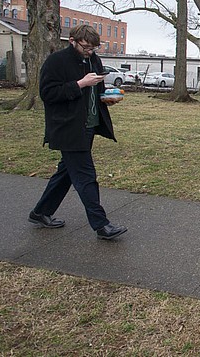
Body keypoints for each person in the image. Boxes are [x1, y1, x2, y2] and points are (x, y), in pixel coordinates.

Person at [28, 24, 127, 240]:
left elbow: (96, 91)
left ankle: (40, 212)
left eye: (93, 48)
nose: (89, 51)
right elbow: (48, 93)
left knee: (66, 173)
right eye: (86, 47)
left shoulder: (94, 60)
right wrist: (80, 83)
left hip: (88, 126)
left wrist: (106, 99)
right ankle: (101, 225)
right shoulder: (56, 62)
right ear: (72, 40)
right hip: (67, 128)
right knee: (85, 176)